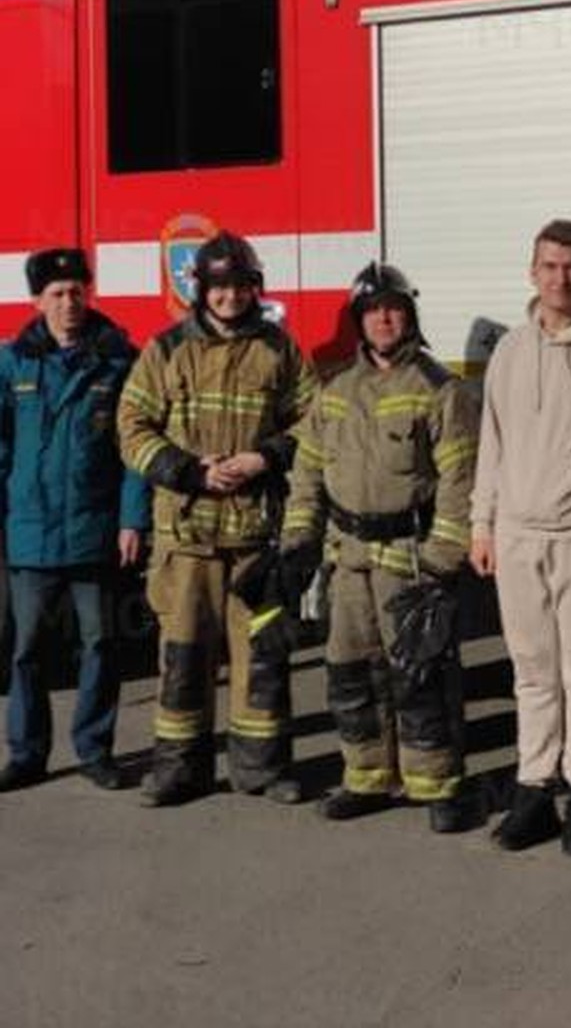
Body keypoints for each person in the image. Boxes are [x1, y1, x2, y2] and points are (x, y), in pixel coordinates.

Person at [280, 262, 479, 832]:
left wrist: (443, 559)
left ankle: (437, 782)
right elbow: (307, 473)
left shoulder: (439, 390)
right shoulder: (336, 391)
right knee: (350, 672)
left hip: (411, 558)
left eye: (393, 309)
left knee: (421, 674)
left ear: (409, 315)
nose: (384, 319)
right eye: (372, 311)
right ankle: (365, 776)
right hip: (348, 560)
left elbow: (460, 481)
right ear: (359, 321)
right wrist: (299, 541)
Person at [118, 232, 315, 807]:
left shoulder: (280, 350)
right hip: (187, 538)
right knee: (182, 658)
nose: (230, 297)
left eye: (240, 286)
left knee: (262, 660)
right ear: (201, 289)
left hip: (254, 537)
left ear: (255, 288)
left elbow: (316, 422)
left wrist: (265, 457)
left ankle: (261, 770)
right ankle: (180, 771)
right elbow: (131, 427)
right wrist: (189, 471)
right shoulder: (166, 349)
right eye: (219, 287)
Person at [470, 219, 571, 854]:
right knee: (532, 671)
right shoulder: (510, 351)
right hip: (516, 534)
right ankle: (534, 789)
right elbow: (493, 444)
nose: (560, 278)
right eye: (549, 266)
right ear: (531, 272)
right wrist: (482, 524)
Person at [0, 248, 149, 792]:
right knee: (26, 651)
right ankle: (27, 753)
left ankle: (94, 749)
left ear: (89, 295)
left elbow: (135, 453)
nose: (69, 303)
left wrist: (132, 520)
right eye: (57, 294)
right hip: (30, 534)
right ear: (36, 300)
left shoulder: (119, 362)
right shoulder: (12, 362)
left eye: (77, 292)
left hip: (94, 531)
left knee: (101, 645)